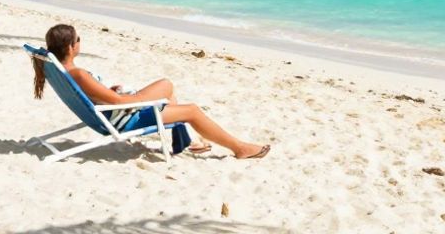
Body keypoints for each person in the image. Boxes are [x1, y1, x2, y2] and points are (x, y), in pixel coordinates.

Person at [33, 23, 270, 159]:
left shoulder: (60, 69)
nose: (80, 42)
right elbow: (116, 100)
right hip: (124, 118)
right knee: (193, 111)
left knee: (166, 84)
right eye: (79, 39)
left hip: (111, 111)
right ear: (70, 46)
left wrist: (108, 91)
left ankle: (185, 140)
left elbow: (99, 95)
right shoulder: (79, 74)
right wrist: (134, 97)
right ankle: (239, 149)